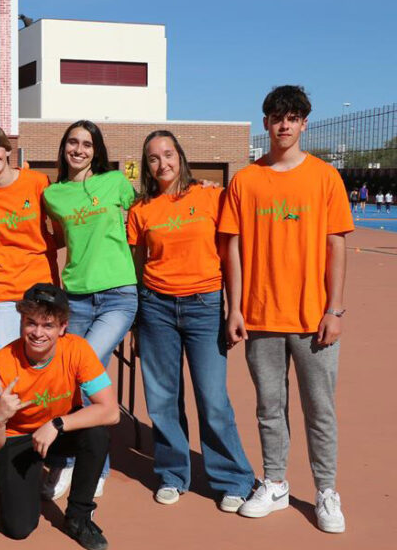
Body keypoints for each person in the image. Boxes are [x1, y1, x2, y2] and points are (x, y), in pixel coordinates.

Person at [220, 85, 354, 533]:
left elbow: (336, 245)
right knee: (269, 407)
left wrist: (335, 310)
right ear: (265, 123)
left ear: (303, 124)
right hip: (260, 317)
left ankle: (326, 491)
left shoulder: (324, 178)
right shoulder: (245, 180)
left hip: (313, 317)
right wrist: (234, 308)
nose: (284, 125)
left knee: (320, 409)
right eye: (277, 117)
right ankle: (275, 482)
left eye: (293, 118)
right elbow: (232, 249)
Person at [126, 130, 255, 511]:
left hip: (205, 306)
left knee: (213, 399)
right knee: (163, 399)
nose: (162, 163)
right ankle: (172, 473)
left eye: (168, 154)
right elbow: (136, 267)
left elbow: (231, 255)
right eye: (153, 158)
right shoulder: (141, 209)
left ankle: (233, 477)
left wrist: (234, 308)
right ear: (147, 166)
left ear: (180, 156)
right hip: (156, 309)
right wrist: (136, 321)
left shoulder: (211, 195)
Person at [0, 283, 118, 550]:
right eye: (31, 323)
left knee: (97, 433)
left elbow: (110, 412)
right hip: (17, 438)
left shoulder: (77, 349)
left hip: (58, 429)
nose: (38, 333)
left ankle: (79, 517)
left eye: (48, 325)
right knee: (18, 529)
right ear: (21, 321)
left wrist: (57, 424)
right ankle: (15, 482)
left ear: (63, 327)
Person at [41, 120, 138, 499]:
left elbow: (149, 210)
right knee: (68, 378)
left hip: (118, 295)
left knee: (86, 368)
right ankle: (70, 462)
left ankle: (91, 466)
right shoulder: (54, 196)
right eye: (72, 142)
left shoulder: (115, 183)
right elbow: (63, 237)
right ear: (64, 148)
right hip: (76, 297)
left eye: (86, 143)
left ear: (96, 150)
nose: (79, 149)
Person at [0, 124, 58, 349]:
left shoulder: (38, 182)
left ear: (6, 149)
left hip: (40, 284)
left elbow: (61, 227)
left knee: (41, 357)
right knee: (4, 362)